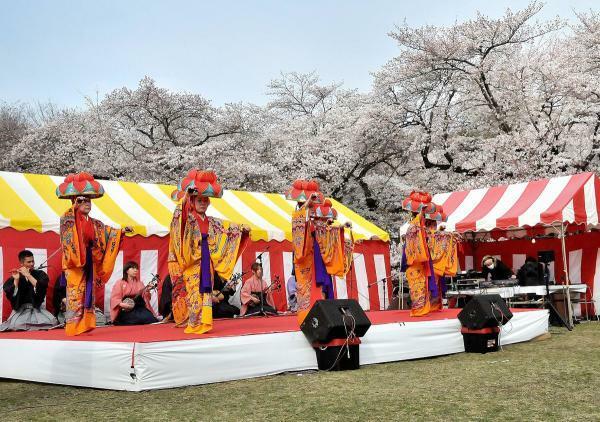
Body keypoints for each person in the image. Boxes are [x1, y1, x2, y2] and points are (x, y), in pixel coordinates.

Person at [168, 169, 249, 334]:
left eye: (205, 200)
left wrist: (242, 229)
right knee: (194, 292)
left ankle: (204, 322)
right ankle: (193, 324)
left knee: (206, 292)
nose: (203, 203)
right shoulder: (188, 218)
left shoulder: (211, 222)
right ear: (192, 201)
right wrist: (186, 198)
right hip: (193, 260)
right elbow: (179, 219)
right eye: (199, 200)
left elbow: (227, 228)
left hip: (207, 261)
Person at [56, 172, 132, 336]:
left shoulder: (95, 223)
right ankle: (74, 326)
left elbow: (108, 233)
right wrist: (73, 209)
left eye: (89, 201)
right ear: (75, 201)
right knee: (76, 294)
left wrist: (121, 232)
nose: (87, 204)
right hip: (75, 264)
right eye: (83, 201)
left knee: (87, 293)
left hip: (89, 262)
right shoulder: (68, 220)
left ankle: (85, 324)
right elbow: (68, 238)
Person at [286, 179, 354, 324]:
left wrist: (341, 226)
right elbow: (300, 219)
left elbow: (326, 230)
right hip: (304, 259)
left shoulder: (313, 219)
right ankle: (306, 319)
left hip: (316, 257)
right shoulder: (298, 216)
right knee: (305, 290)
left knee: (321, 287)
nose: (312, 204)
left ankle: (323, 316)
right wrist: (307, 203)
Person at [0, 250, 58, 331]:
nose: (32, 264)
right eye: (29, 262)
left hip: (37, 309)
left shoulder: (40, 274)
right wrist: (16, 280)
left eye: (33, 261)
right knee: (16, 325)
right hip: (21, 311)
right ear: (22, 264)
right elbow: (11, 295)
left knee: (52, 322)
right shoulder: (16, 276)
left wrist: (28, 275)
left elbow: (41, 288)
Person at [110, 261, 158, 325]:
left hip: (139, 308)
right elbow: (114, 298)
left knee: (151, 318)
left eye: (136, 268)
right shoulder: (120, 283)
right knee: (137, 319)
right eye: (133, 268)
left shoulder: (140, 283)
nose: (135, 270)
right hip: (126, 309)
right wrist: (122, 304)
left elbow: (146, 298)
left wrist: (147, 290)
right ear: (127, 271)